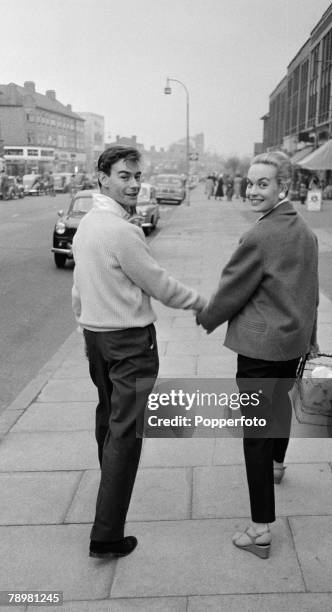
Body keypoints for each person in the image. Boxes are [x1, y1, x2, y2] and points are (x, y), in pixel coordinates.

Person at [72, 146, 206, 559]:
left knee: (108, 422)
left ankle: (107, 490)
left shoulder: (87, 224)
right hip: (129, 344)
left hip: (97, 337)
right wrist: (204, 303)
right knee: (126, 434)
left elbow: (78, 288)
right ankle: (107, 534)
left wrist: (85, 326)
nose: (133, 184)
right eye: (124, 176)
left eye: (136, 176)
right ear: (103, 179)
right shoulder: (120, 230)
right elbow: (159, 284)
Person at [197, 151, 319, 559]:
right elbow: (310, 292)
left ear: (282, 186)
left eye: (262, 183)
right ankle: (278, 465)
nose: (252, 190)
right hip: (292, 343)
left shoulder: (260, 236)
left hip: (260, 350)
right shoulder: (303, 230)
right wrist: (310, 336)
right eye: (250, 182)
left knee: (255, 437)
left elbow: (233, 287)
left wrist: (207, 316)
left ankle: (260, 529)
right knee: (280, 410)